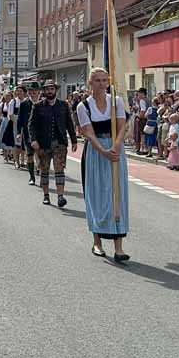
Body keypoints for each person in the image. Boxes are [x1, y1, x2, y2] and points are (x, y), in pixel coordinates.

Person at [76, 69, 130, 262]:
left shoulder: (116, 101)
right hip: (96, 151)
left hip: (116, 149)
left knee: (117, 194)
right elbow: (89, 133)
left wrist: (116, 146)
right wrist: (103, 151)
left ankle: (119, 247)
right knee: (97, 194)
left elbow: (122, 125)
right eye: (97, 80)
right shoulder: (83, 106)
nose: (101, 84)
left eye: (104, 80)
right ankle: (97, 241)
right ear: (90, 83)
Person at [28, 79, 78, 208]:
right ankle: (46, 195)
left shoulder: (63, 105)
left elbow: (69, 124)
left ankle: (60, 196)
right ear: (44, 91)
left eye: (52, 89)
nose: (49, 91)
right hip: (43, 143)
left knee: (59, 170)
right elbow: (31, 125)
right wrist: (33, 140)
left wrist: (74, 140)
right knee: (44, 170)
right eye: (47, 89)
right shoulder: (38, 106)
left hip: (59, 143)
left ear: (55, 90)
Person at [18, 82, 39, 185]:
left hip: (42, 135)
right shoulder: (24, 104)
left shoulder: (43, 103)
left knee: (42, 156)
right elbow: (20, 120)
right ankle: (32, 177)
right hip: (28, 135)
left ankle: (41, 173)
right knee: (30, 155)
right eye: (30, 91)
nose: (33, 93)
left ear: (38, 92)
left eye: (34, 90)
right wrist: (18, 132)